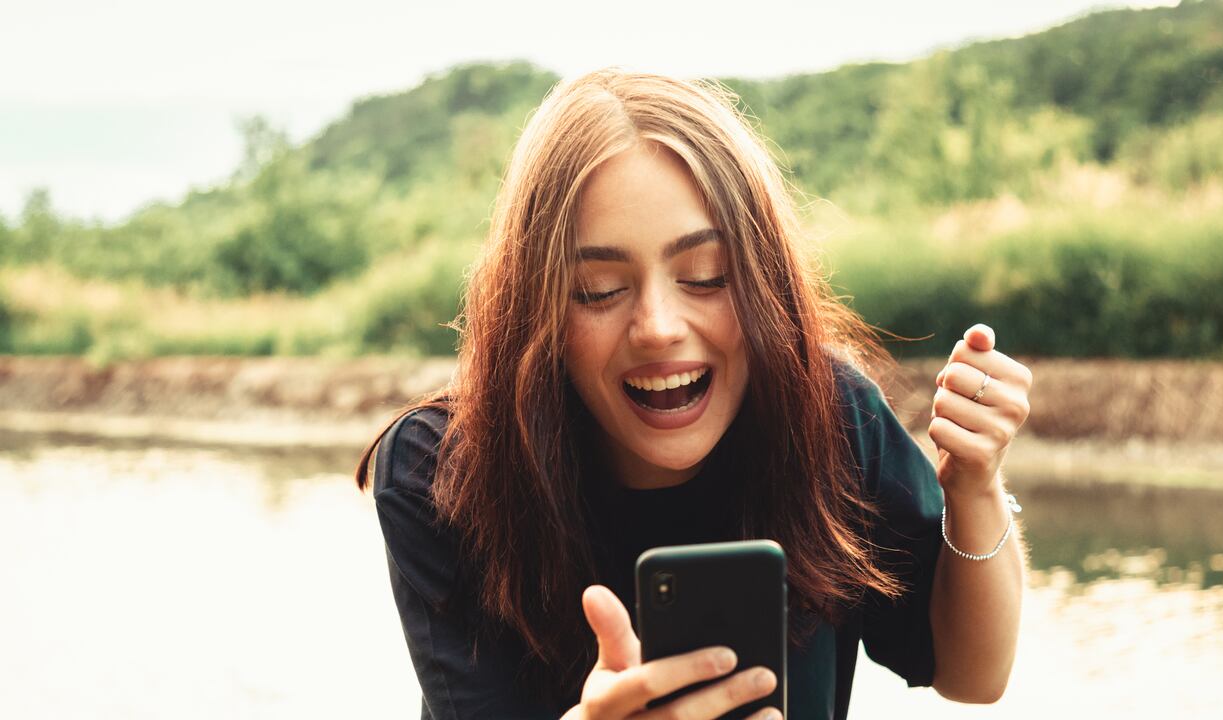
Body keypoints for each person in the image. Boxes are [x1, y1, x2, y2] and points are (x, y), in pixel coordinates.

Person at [354, 68, 1031, 720]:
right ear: (538, 309)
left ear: (766, 280)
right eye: (599, 290)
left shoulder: (829, 415)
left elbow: (973, 676)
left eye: (705, 275)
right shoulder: (440, 470)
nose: (657, 328)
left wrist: (974, 485)